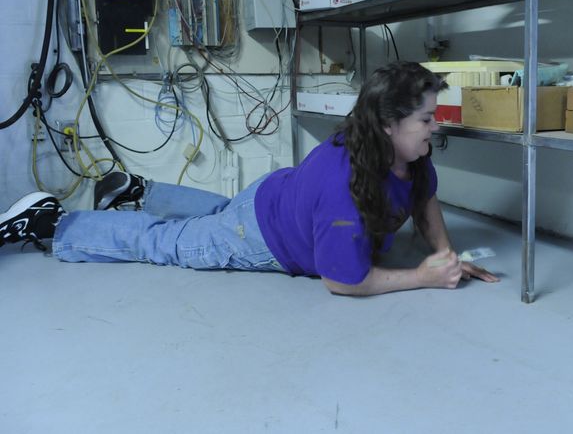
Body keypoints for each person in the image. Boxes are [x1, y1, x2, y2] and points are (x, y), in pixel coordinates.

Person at [0, 61, 499, 295]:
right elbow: (344, 282)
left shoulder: (407, 153)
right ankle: (52, 224)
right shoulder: (344, 186)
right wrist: (424, 277)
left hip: (274, 196)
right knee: (168, 244)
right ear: (389, 124)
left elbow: (424, 200)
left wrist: (442, 252)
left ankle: (139, 192)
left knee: (219, 213)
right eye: (427, 119)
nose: (436, 127)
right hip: (261, 234)